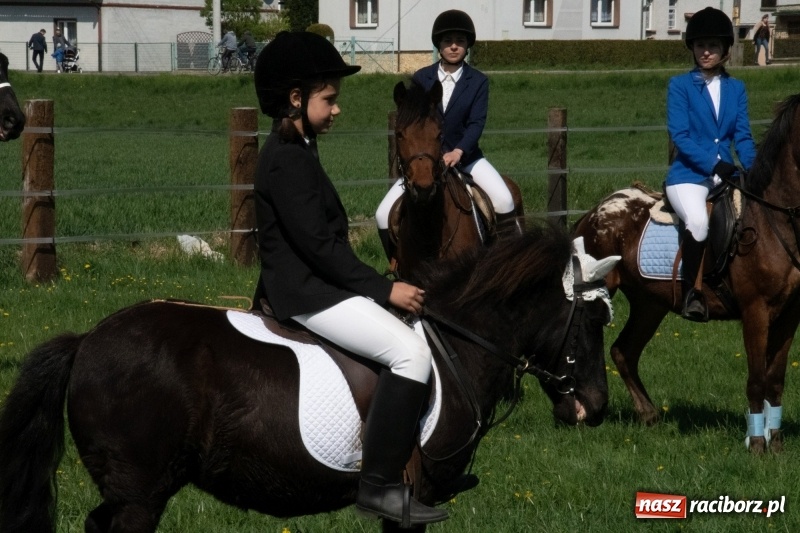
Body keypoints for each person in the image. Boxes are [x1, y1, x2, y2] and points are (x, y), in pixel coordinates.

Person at [251, 31, 449, 527]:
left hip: (317, 282)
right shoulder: (287, 159)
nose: (337, 109)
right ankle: (378, 486)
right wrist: (386, 289)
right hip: (306, 292)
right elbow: (320, 249)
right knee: (410, 353)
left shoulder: (300, 145)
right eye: (329, 99)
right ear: (296, 99)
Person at [374, 9, 519, 260]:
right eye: (448, 41)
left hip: (467, 158)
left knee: (505, 200)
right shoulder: (422, 78)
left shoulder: (478, 81)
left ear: (467, 46)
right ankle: (397, 265)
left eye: (460, 42)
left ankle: (506, 262)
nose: (454, 47)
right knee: (382, 214)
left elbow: (476, 123)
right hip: (425, 160)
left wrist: (459, 151)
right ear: (439, 46)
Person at [665, 7, 756, 322]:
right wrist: (715, 165)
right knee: (699, 223)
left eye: (713, 46)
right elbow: (681, 136)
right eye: (701, 45)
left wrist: (756, 170)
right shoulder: (680, 86)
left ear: (725, 51)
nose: (706, 52)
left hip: (726, 176)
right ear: (692, 48)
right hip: (687, 176)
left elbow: (742, 137)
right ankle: (694, 293)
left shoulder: (736, 89)